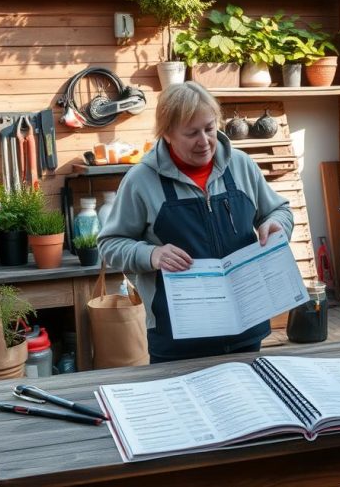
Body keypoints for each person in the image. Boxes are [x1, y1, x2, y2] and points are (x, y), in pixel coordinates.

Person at [98, 81, 294, 363]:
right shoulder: (141, 181)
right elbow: (109, 245)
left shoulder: (241, 166)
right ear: (167, 134)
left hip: (247, 330)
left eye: (210, 128)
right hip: (177, 341)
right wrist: (151, 254)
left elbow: (280, 211)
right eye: (191, 133)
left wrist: (276, 225)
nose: (204, 141)